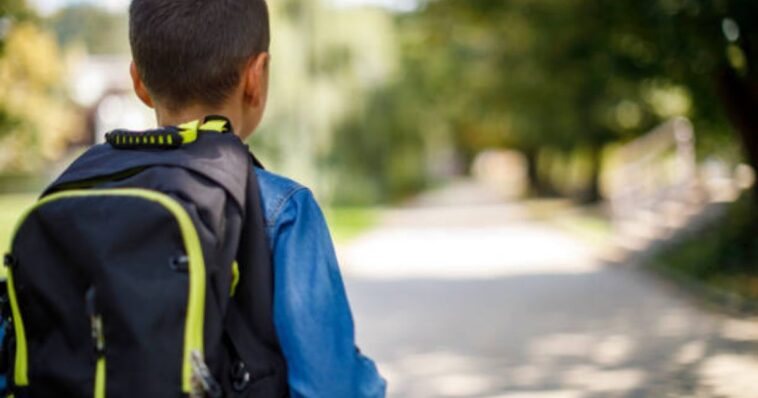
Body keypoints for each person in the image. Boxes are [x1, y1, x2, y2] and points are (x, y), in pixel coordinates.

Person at [126, 0, 386, 396]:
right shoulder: (282, 209)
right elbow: (330, 385)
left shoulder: (74, 197)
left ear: (138, 81)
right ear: (256, 77)